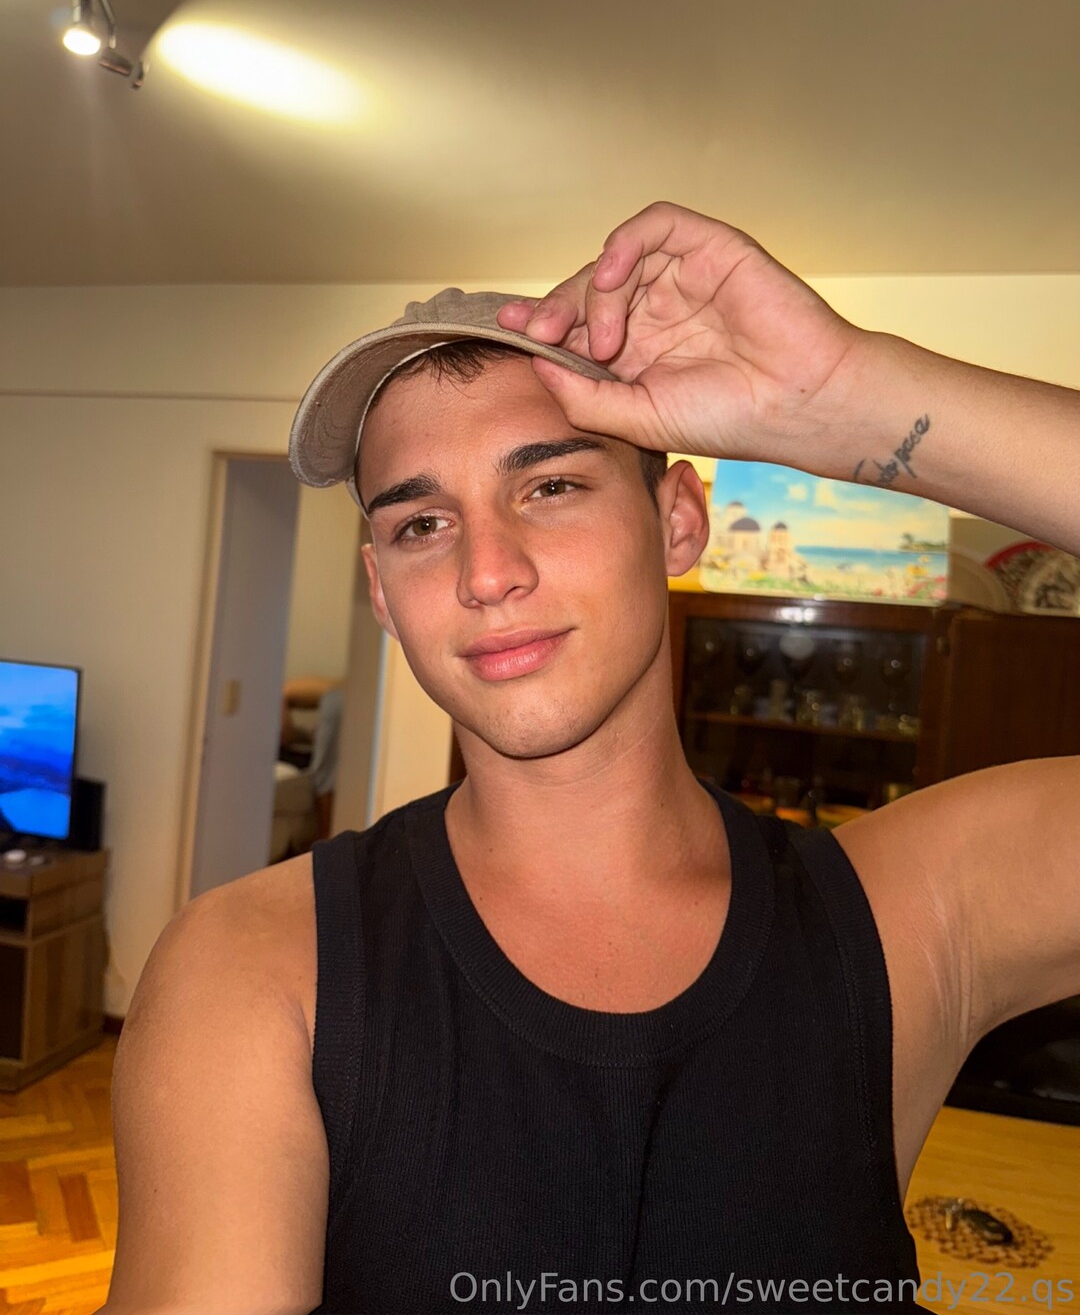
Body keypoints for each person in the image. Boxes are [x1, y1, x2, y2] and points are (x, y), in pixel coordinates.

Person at [102, 203, 1080, 1315]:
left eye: (551, 486)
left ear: (678, 520)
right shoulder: (253, 972)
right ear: (380, 589)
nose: (487, 572)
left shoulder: (910, 916)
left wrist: (845, 396)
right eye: (421, 524)